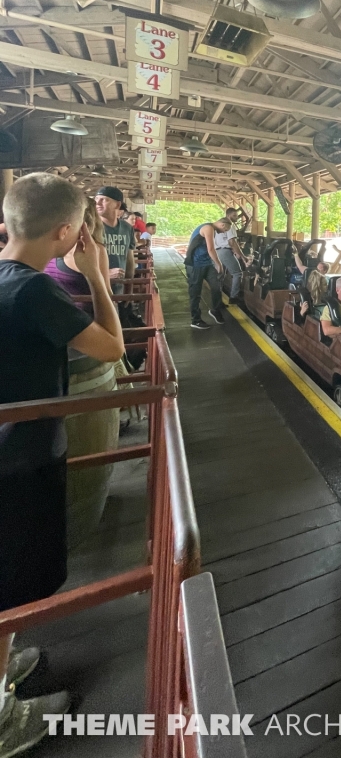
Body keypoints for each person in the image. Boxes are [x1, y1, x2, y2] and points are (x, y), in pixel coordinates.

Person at [0, 173, 124, 752]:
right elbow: (112, 347)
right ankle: (2, 718)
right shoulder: (34, 291)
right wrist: (97, 275)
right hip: (19, 460)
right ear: (67, 231)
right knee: (7, 581)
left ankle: (4, 667)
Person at [44, 198, 110, 312]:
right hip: (49, 317)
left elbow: (106, 291)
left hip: (80, 319)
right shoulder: (47, 245)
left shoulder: (95, 249)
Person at [185, 219, 228, 329]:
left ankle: (215, 310)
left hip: (206, 263)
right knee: (195, 293)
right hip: (195, 264)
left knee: (216, 286)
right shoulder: (208, 228)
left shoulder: (211, 229)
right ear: (222, 224)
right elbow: (211, 249)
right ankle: (196, 320)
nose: (224, 232)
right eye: (225, 229)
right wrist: (219, 264)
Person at [94, 187, 135, 292]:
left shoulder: (127, 228)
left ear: (117, 204)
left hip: (119, 289)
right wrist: (105, 273)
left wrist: (129, 289)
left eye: (104, 199)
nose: (98, 203)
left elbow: (129, 260)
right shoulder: (90, 227)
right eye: (96, 199)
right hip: (95, 290)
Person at [214, 215, 248, 302]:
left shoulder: (217, 226)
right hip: (225, 251)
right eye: (235, 215)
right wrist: (243, 256)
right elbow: (232, 242)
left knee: (221, 275)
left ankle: (217, 297)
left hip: (217, 251)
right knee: (237, 273)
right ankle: (234, 297)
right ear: (229, 216)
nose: (237, 217)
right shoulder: (230, 225)